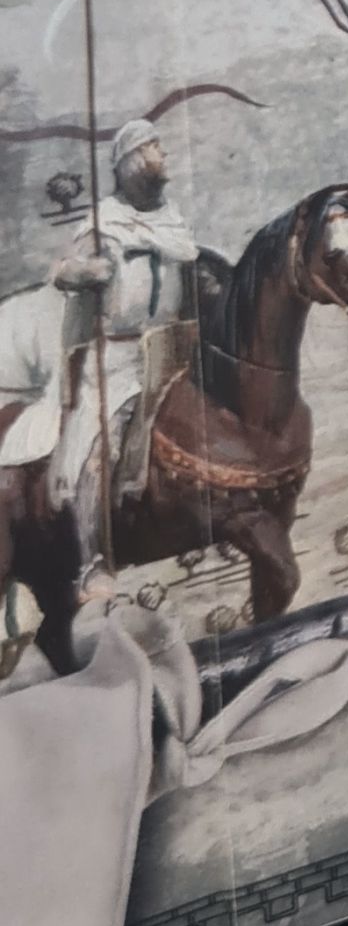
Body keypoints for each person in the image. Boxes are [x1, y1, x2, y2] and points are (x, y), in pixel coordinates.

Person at [46, 119, 198, 583]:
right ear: (132, 161)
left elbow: (188, 259)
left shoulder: (171, 220)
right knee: (101, 448)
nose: (163, 154)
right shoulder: (104, 221)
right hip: (116, 358)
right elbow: (62, 272)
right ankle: (91, 559)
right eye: (154, 147)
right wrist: (89, 272)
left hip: (170, 348)